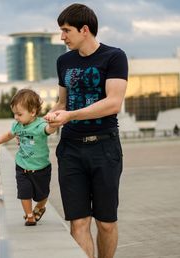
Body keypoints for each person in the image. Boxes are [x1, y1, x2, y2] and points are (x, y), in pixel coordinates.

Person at [44, 3, 128, 258]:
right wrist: (50, 119)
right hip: (70, 149)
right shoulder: (64, 61)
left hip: (105, 148)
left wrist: (71, 115)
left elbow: (113, 102)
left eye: (66, 30)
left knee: (106, 223)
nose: (62, 37)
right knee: (78, 222)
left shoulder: (114, 57)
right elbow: (62, 102)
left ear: (85, 29)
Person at [0, 89, 56, 226]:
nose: (16, 117)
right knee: (24, 193)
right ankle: (30, 216)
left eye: (19, 114)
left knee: (43, 195)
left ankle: (40, 207)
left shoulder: (40, 125)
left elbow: (49, 130)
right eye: (14, 114)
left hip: (41, 168)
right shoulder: (17, 126)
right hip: (22, 166)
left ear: (33, 112)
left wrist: (53, 124)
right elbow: (8, 135)